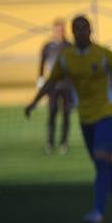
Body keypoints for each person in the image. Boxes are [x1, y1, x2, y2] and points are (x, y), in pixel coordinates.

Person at [26, 15, 112, 223]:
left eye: (84, 28)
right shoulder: (66, 57)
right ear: (72, 32)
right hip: (86, 116)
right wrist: (34, 103)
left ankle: (98, 211)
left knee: (102, 156)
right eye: (76, 29)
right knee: (103, 164)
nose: (80, 32)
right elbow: (51, 82)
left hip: (107, 113)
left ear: (91, 30)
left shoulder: (103, 55)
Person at [36, 18, 75, 154]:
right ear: (54, 30)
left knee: (66, 114)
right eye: (58, 29)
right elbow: (42, 63)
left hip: (66, 85)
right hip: (53, 85)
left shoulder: (69, 46)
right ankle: (50, 142)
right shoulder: (48, 47)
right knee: (52, 112)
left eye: (62, 29)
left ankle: (64, 143)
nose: (60, 32)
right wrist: (40, 79)